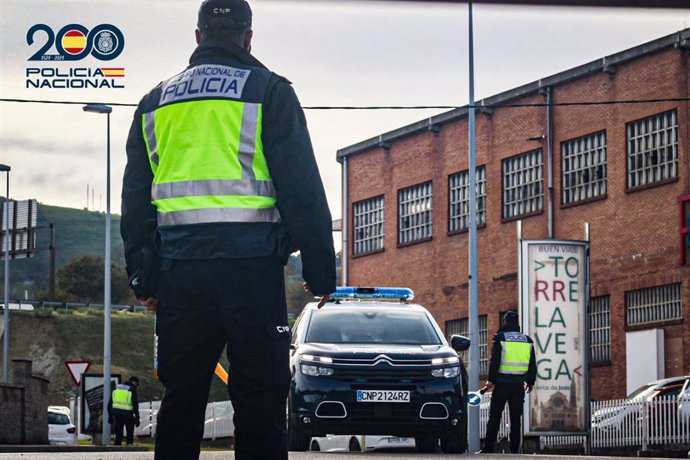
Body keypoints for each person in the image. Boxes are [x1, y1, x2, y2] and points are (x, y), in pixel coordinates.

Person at [120, 0, 336, 459]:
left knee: (182, 399)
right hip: (252, 272)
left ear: (197, 37)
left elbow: (136, 200)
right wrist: (320, 270)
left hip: (180, 274)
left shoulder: (154, 102)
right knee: (259, 398)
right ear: (248, 37)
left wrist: (144, 276)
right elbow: (300, 186)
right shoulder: (270, 91)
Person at [479, 311, 537, 454]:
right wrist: (530, 382)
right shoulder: (527, 340)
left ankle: (488, 449)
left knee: (494, 417)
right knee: (515, 419)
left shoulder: (500, 338)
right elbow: (532, 364)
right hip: (518, 386)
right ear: (517, 322)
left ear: (504, 322)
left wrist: (490, 381)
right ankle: (514, 451)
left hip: (501, 384)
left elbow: (495, 361)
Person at [107, 376, 140, 446]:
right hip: (128, 413)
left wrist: (110, 416)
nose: (136, 386)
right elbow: (135, 404)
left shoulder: (117, 388)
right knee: (130, 430)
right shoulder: (131, 389)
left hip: (117, 413)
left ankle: (117, 445)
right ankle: (129, 445)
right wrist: (137, 417)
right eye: (136, 384)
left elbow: (110, 403)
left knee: (118, 430)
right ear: (134, 382)